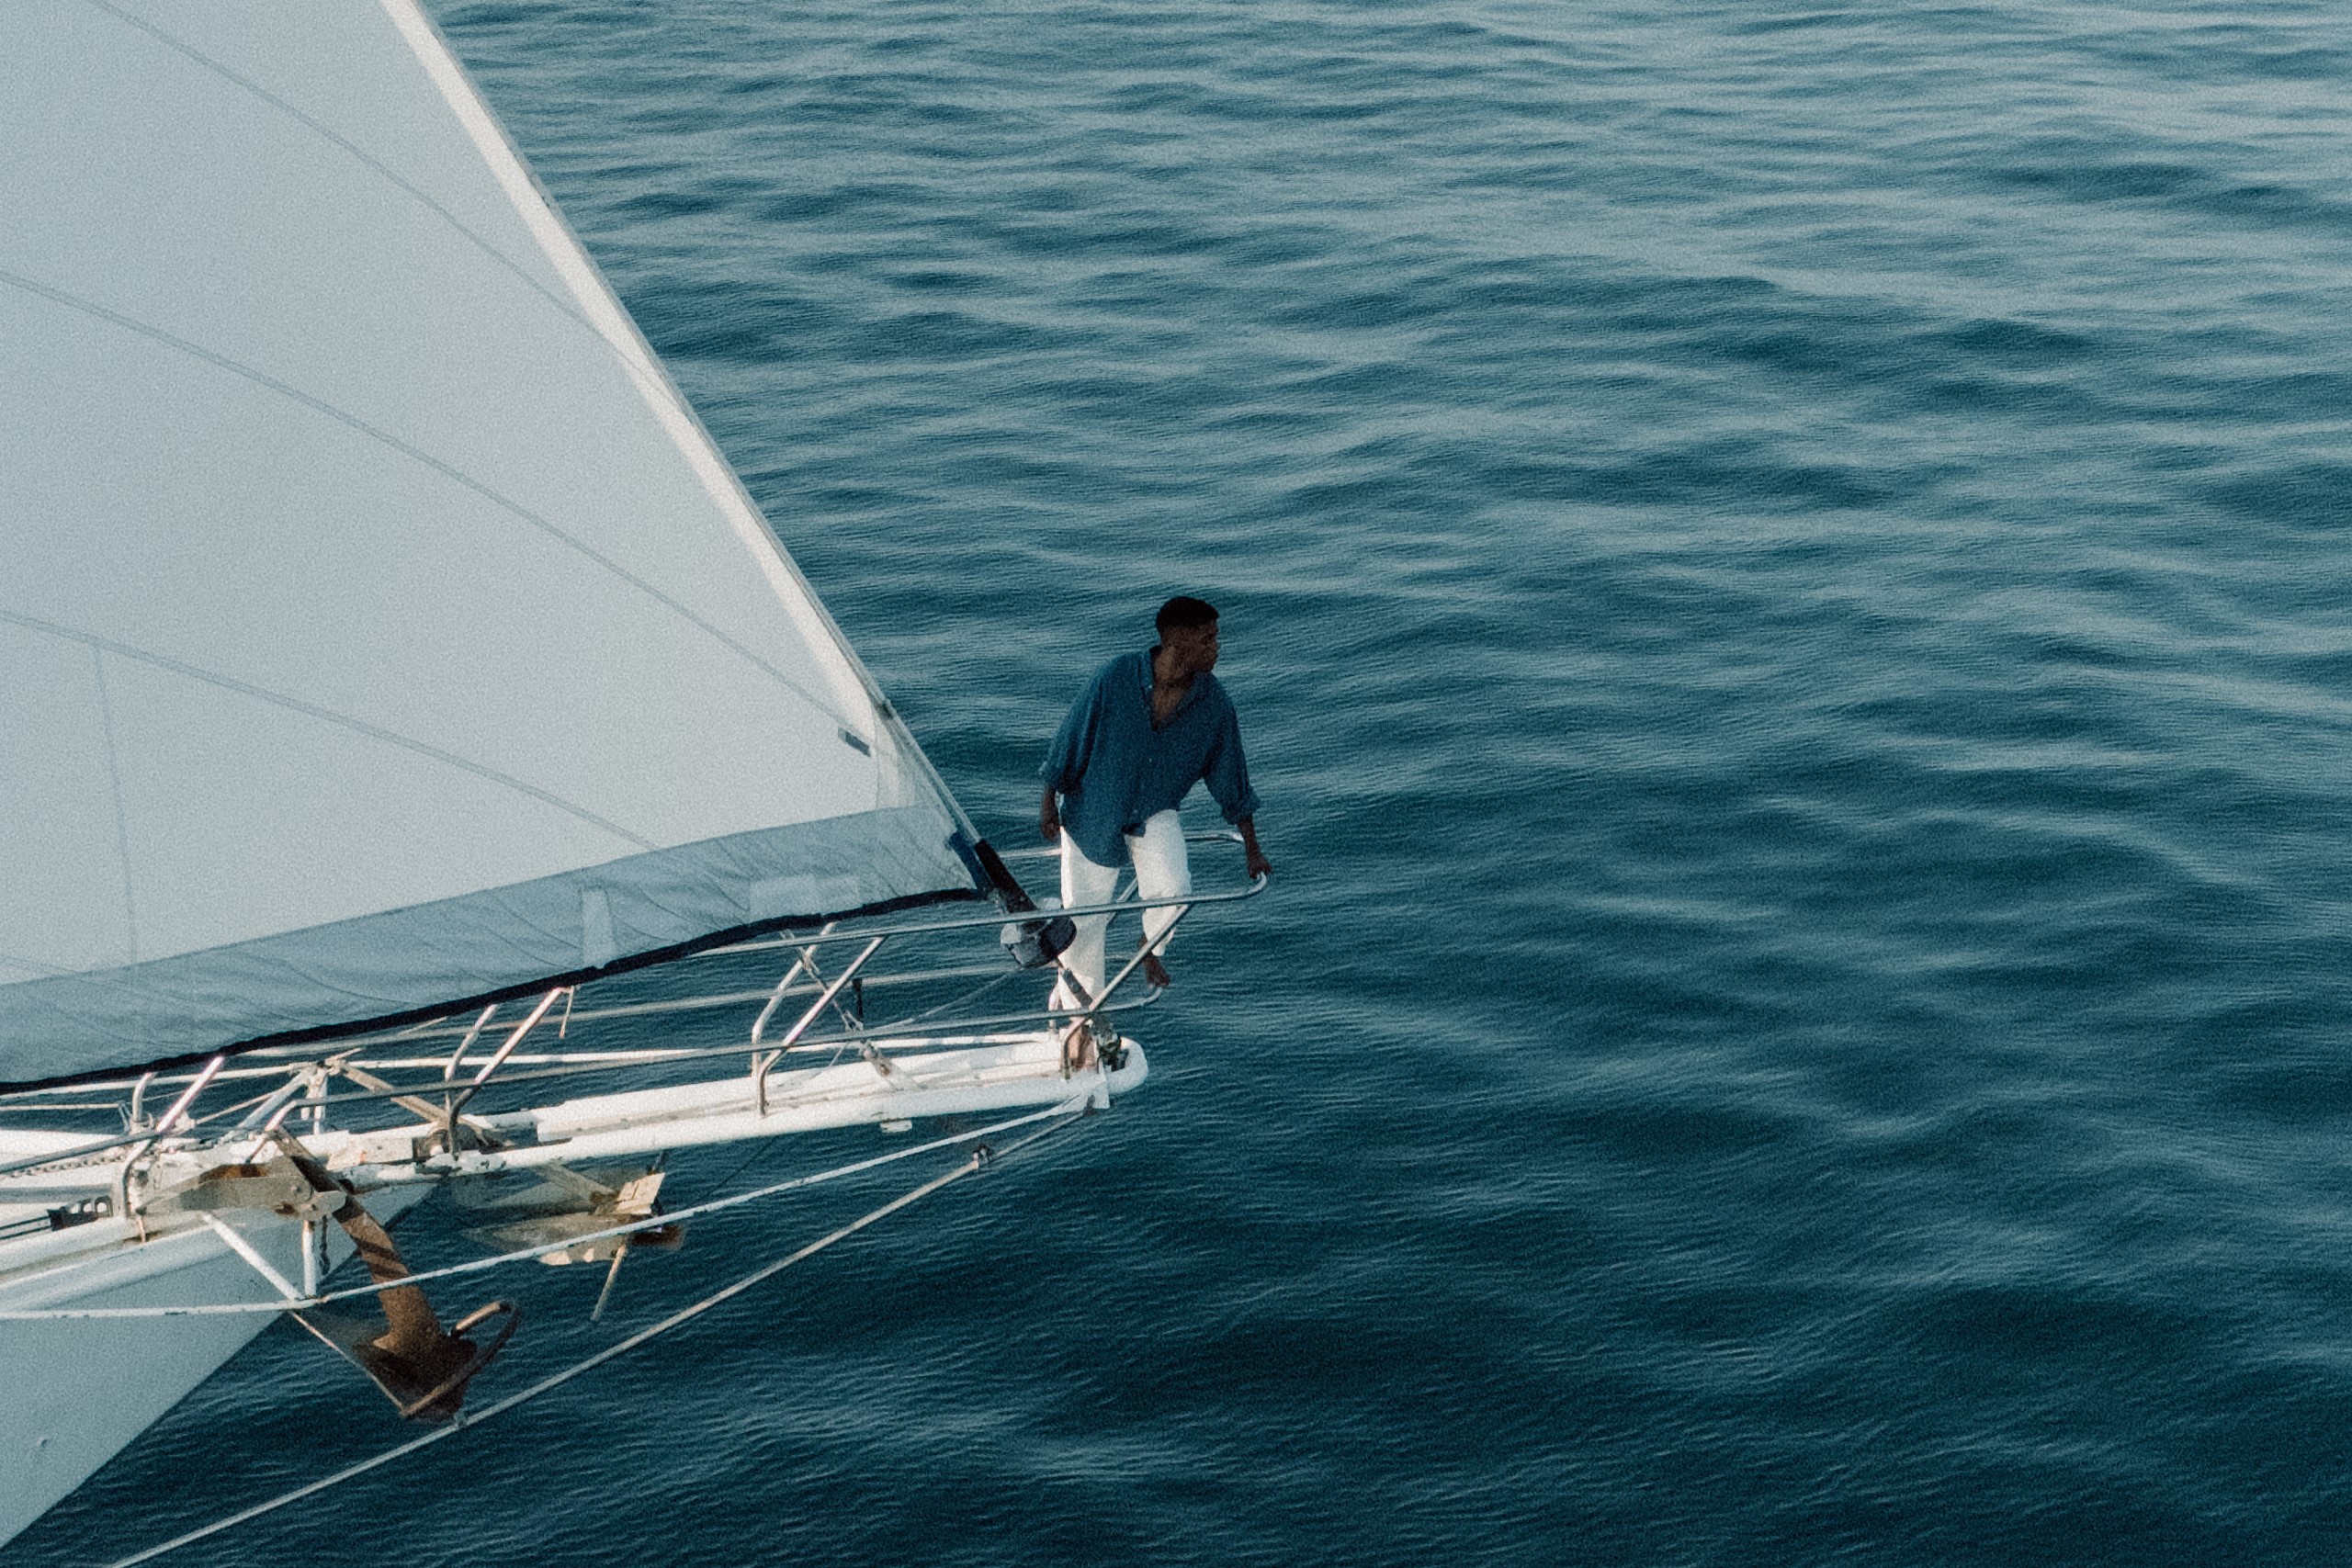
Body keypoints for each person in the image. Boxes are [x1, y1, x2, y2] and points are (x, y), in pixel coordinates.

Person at [1039, 596, 1272, 1034]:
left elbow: (1232, 776)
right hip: (1094, 811)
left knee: (1175, 889)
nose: (1217, 647)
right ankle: (1080, 1022)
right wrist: (1049, 800)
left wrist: (1252, 850)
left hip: (1154, 810)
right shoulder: (1115, 678)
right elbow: (1070, 736)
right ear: (1178, 643)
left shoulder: (1214, 704)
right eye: (1209, 638)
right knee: (1084, 926)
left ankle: (1149, 945)